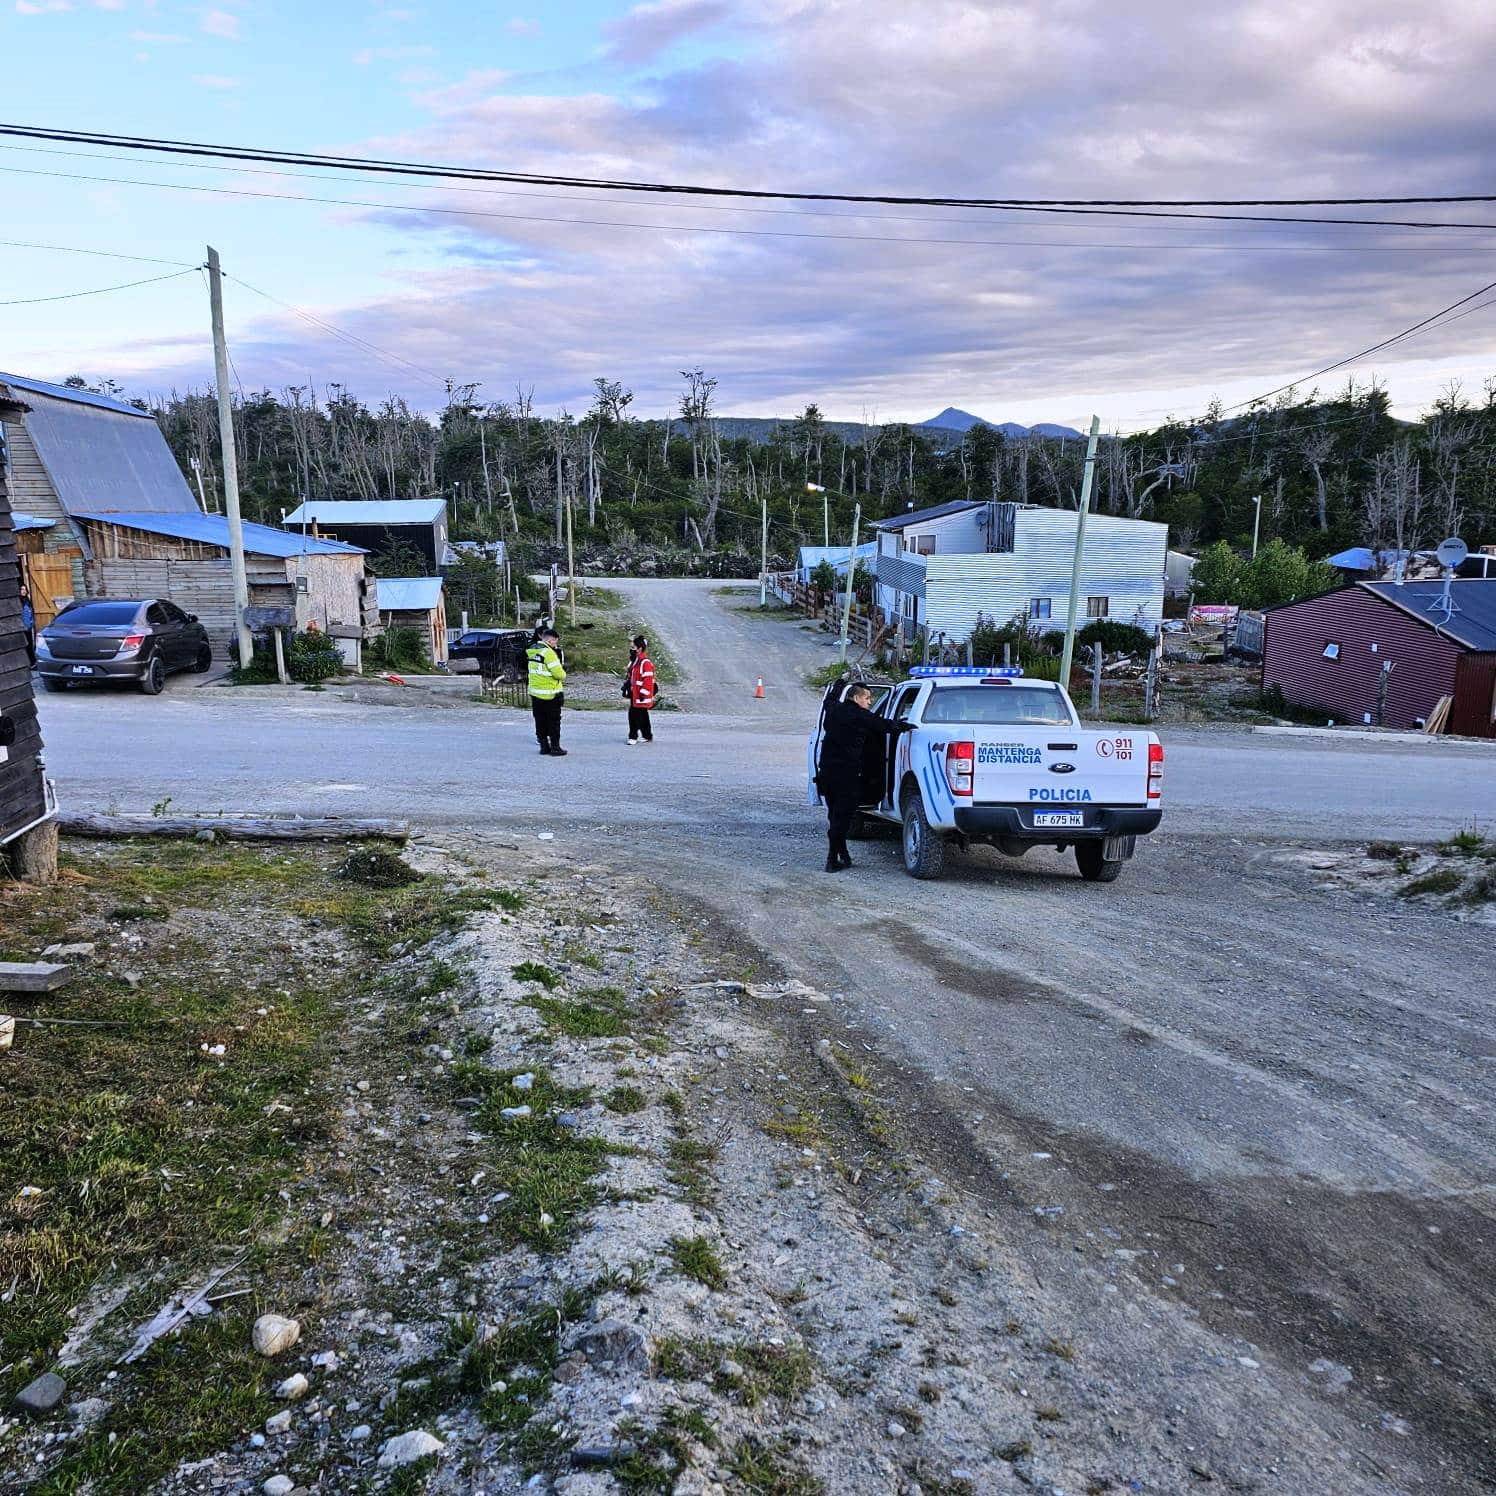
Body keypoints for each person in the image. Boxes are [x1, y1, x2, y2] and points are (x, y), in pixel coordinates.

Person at [815, 681, 911, 872]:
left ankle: (842, 855)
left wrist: (838, 686)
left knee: (834, 815)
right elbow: (885, 726)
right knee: (842, 819)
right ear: (856, 698)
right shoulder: (861, 716)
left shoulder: (834, 710)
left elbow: (829, 700)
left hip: (826, 773)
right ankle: (832, 860)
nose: (869, 702)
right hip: (847, 776)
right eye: (867, 698)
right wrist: (905, 726)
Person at [526, 627, 567, 756]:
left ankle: (544, 747)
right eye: (555, 641)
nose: (556, 644)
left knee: (540, 720)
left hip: (535, 692)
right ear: (550, 640)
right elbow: (560, 674)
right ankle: (555, 747)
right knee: (553, 721)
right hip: (550, 694)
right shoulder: (549, 653)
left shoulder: (532, 651)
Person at [626, 632, 656, 744]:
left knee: (633, 715)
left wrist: (643, 693)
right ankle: (647, 735)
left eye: (633, 647)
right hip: (635, 694)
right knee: (643, 715)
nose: (631, 649)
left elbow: (648, 680)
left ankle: (633, 736)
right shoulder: (635, 661)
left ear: (639, 648)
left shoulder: (645, 663)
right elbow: (631, 675)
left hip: (640, 695)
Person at [19, 578, 35, 669]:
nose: (23, 591)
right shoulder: (19, 601)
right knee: (25, 646)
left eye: (25, 589)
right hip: (23, 628)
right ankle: (29, 663)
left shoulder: (27, 601)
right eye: (22, 589)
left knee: (30, 645)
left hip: (28, 628)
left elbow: (30, 614)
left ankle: (32, 663)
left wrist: (31, 623)